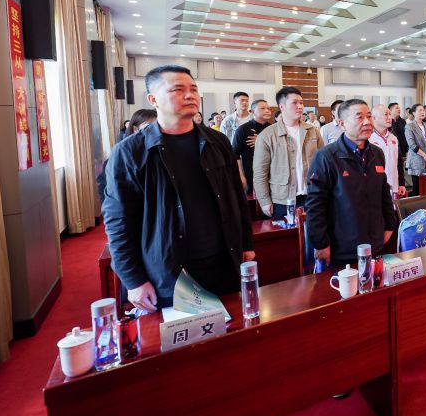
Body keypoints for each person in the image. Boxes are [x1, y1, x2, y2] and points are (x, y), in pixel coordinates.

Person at [103, 64, 253, 311]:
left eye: (193, 89)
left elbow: (237, 198)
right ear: (153, 99)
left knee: (232, 327)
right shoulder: (130, 152)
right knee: (181, 332)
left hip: (224, 259)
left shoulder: (217, 141)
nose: (190, 95)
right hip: (169, 268)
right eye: (178, 90)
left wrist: (246, 245)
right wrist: (133, 279)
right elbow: (118, 221)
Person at [306, 99, 397, 269]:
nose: (367, 122)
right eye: (359, 117)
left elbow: (384, 191)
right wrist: (321, 243)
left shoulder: (376, 153)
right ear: (342, 124)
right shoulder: (326, 157)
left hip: (374, 243)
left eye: (369, 116)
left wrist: (390, 225)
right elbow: (315, 205)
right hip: (341, 248)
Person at [252, 86, 323, 220]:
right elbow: (260, 172)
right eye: (294, 103)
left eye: (301, 102)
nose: (300, 106)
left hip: (311, 195)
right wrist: (264, 200)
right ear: (282, 106)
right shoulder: (267, 135)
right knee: (286, 232)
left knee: (314, 232)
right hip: (282, 199)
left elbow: (323, 165)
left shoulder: (313, 131)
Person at [231, 99, 272, 196]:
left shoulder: (273, 129)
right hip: (251, 175)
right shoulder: (243, 129)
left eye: (268, 108)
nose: (267, 111)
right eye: (263, 108)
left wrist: (261, 141)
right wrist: (241, 176)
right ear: (253, 112)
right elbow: (235, 155)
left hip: (272, 175)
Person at [368, 104, 405, 199]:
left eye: (390, 114)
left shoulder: (393, 137)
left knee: (393, 208)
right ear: (374, 118)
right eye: (385, 114)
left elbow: (399, 161)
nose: (389, 117)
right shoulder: (368, 138)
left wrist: (401, 183)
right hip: (375, 187)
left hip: (394, 186)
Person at [405, 104, 426, 195]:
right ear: (414, 113)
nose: (423, 112)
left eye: (423, 110)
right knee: (417, 189)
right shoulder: (409, 126)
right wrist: (425, 155)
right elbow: (412, 145)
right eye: (420, 110)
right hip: (416, 161)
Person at [389, 102, 408, 189]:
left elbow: (405, 137)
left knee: (400, 170)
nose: (399, 109)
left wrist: (406, 151)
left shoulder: (402, 121)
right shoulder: (389, 122)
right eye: (396, 108)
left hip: (402, 150)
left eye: (399, 108)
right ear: (390, 110)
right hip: (393, 150)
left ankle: (401, 186)